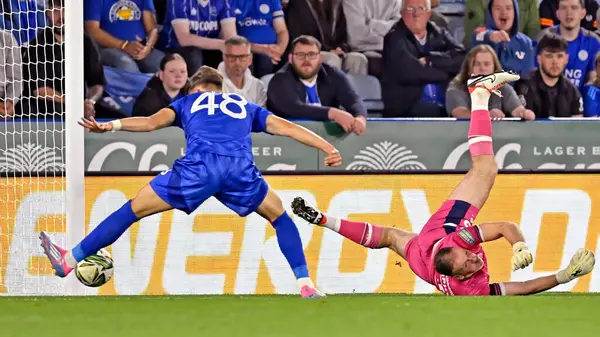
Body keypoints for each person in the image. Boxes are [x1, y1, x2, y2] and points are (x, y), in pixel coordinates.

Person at [39, 66, 342, 298]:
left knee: (133, 209)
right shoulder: (243, 106)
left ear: (194, 88)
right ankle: (305, 285)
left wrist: (111, 126)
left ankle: (70, 259)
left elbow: (149, 122)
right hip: (239, 169)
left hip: (200, 167)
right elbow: (286, 127)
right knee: (279, 217)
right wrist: (327, 147)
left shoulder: (187, 102)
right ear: (219, 89)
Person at [292, 70, 596, 296]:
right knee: (390, 238)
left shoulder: (460, 240)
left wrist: (518, 245)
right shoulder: (468, 289)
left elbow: (504, 226)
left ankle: (479, 94)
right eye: (469, 263)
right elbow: (519, 288)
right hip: (423, 262)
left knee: (485, 169)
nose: (476, 257)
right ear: (460, 276)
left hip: (437, 234)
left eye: (469, 255)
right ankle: (479, 95)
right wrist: (563, 275)